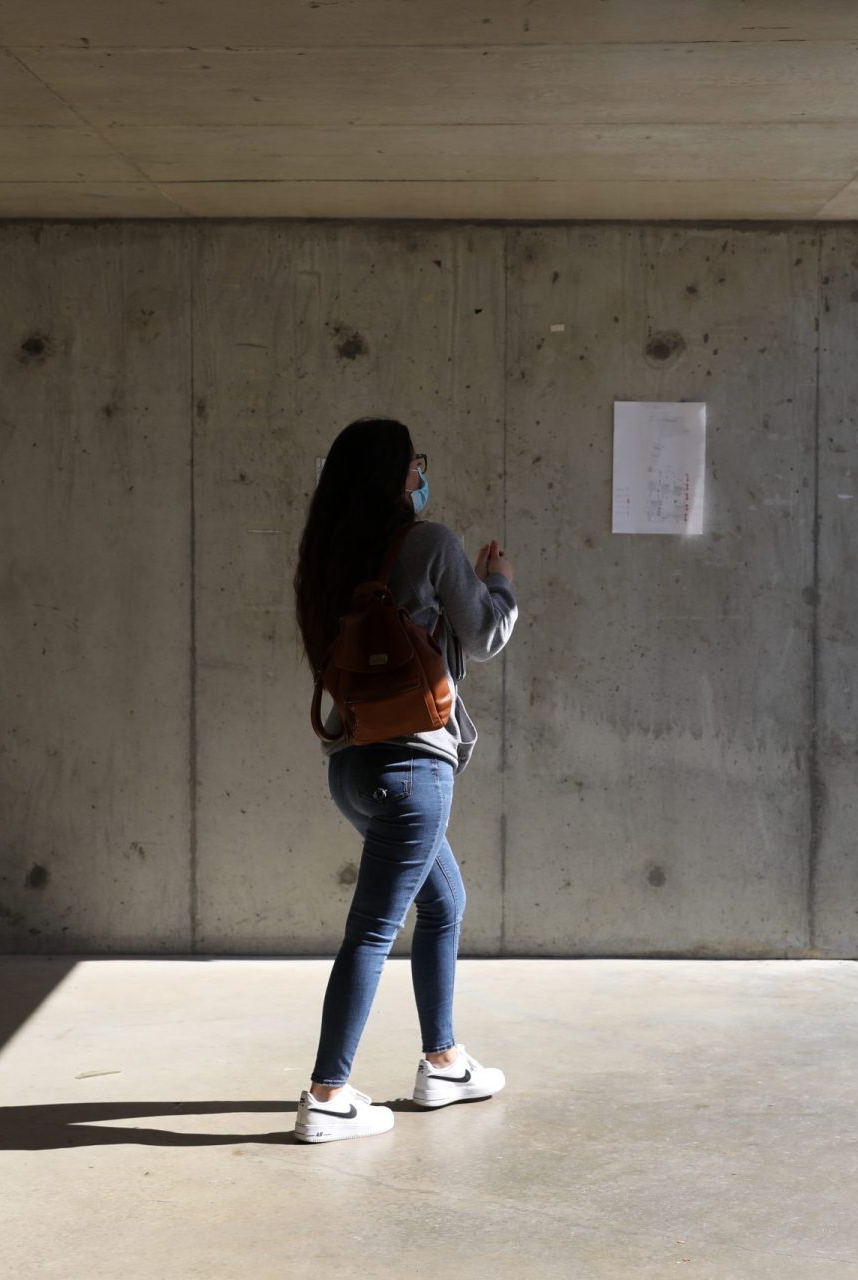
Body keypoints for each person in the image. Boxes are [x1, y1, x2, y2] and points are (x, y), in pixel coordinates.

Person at [290, 417, 519, 1143]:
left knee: (445, 902)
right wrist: (500, 587)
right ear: (396, 474)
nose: (421, 476)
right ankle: (328, 1095)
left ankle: (444, 1061)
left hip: (354, 766)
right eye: (415, 464)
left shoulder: (326, 556)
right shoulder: (430, 544)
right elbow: (481, 634)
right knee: (373, 931)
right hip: (414, 767)